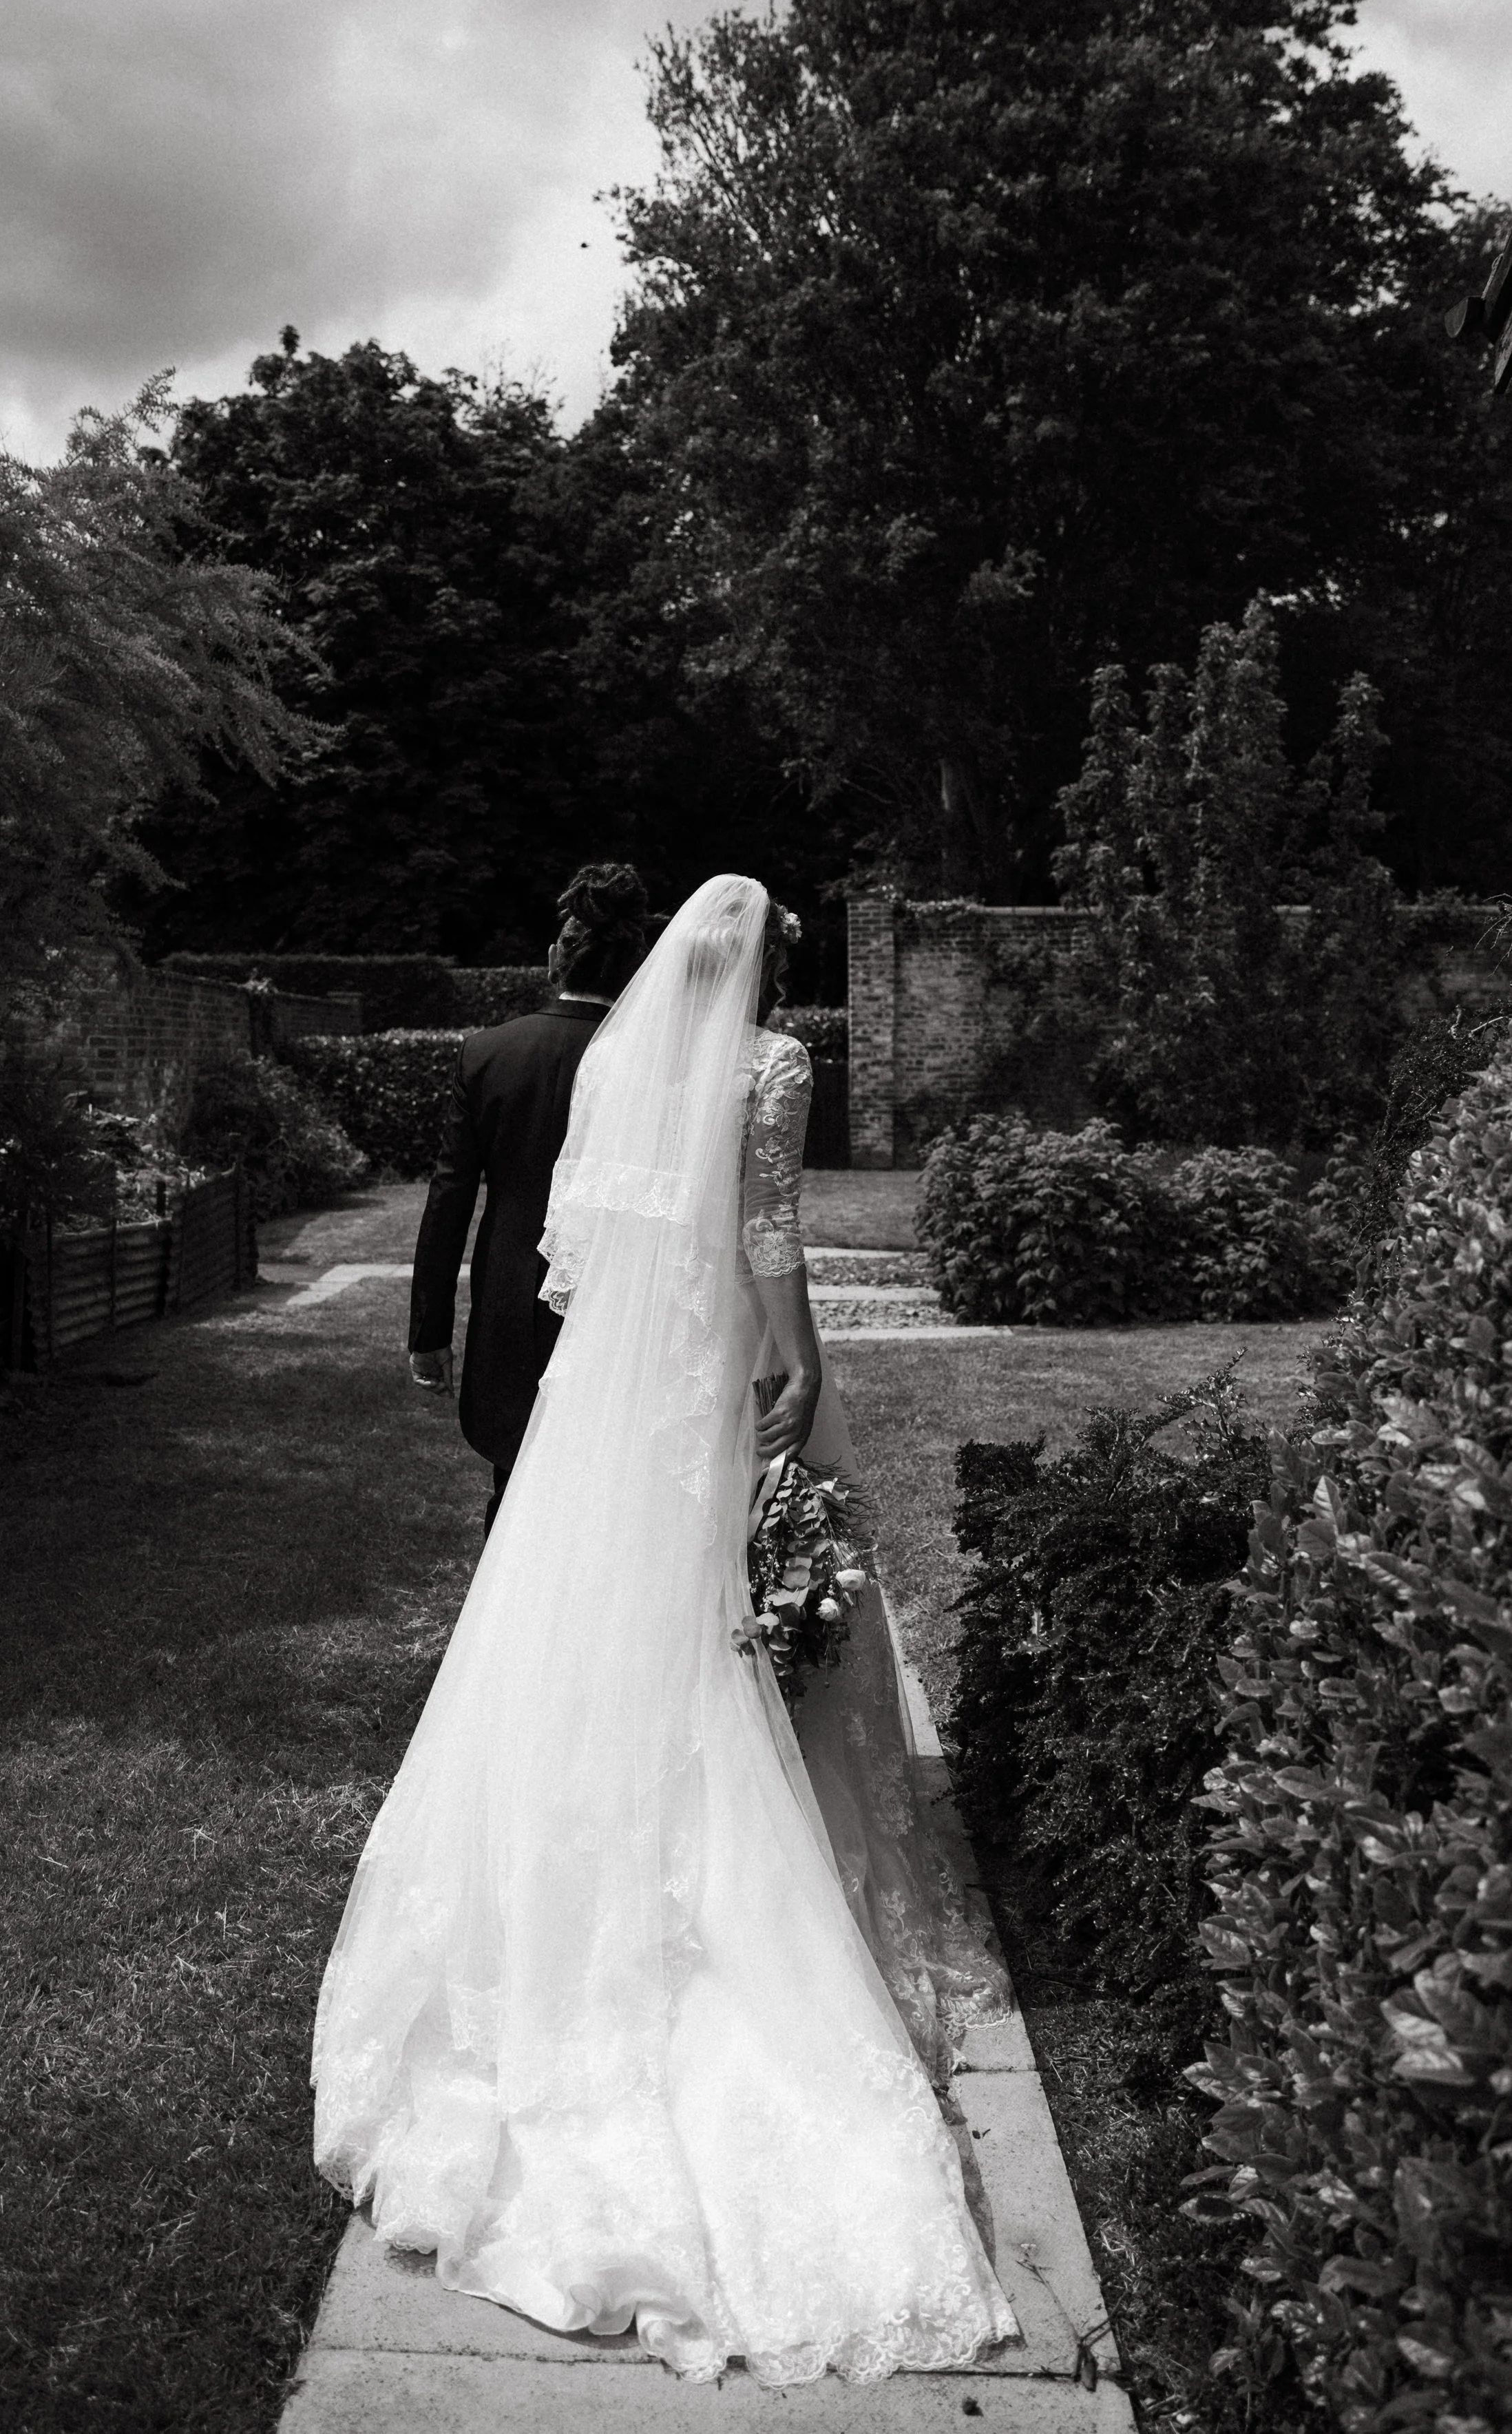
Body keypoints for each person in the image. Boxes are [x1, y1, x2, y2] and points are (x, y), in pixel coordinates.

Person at [314, 875, 1018, 2386]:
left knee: (589, 1613)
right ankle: (729, 1867)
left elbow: (576, 1241)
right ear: (766, 967)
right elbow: (766, 1233)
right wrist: (801, 1358)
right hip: (705, 1371)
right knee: (718, 1617)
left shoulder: (620, 1062)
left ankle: (572, 1865)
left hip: (605, 1389)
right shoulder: (771, 1065)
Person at [406, 863, 649, 1527]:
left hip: (513, 1298)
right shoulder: (656, 1063)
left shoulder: (489, 1053)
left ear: (554, 960)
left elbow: (449, 1199)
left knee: (514, 1487)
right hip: (627, 1302)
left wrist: (429, 1332)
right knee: (612, 1495)